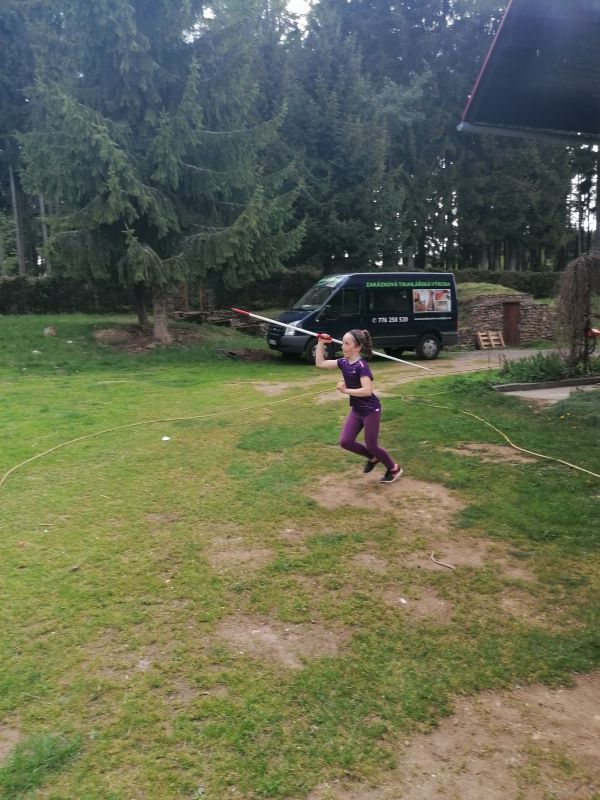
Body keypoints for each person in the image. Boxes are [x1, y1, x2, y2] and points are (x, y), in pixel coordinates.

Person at [315, 329, 402, 483]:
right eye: (343, 342)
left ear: (357, 347)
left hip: (370, 410)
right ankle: (373, 458)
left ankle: (394, 469)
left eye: (346, 343)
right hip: (357, 410)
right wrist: (321, 343)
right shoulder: (343, 362)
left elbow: (367, 391)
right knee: (346, 442)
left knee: (372, 445)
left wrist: (345, 390)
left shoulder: (361, 366)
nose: (342, 346)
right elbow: (320, 363)